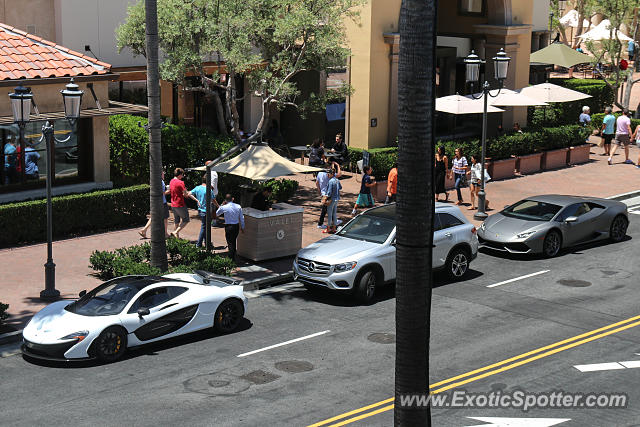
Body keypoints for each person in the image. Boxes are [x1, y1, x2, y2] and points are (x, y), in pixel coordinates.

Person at [139, 170, 171, 239]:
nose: (164, 175)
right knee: (165, 218)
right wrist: (168, 191)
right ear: (160, 174)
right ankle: (165, 233)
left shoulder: (154, 181)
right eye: (163, 174)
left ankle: (144, 230)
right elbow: (161, 193)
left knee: (153, 217)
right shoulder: (161, 182)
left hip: (156, 202)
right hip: (162, 202)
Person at [169, 168, 199, 239]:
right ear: (179, 175)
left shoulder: (171, 181)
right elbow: (185, 194)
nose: (183, 176)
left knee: (176, 220)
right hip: (180, 204)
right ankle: (175, 232)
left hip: (173, 204)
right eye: (182, 175)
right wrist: (191, 196)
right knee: (186, 220)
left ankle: (176, 238)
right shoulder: (180, 182)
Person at [216, 194, 245, 261]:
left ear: (225, 200)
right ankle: (232, 256)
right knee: (233, 241)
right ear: (233, 199)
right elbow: (241, 218)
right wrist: (242, 227)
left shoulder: (224, 207)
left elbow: (217, 213)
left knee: (230, 242)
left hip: (228, 226)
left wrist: (221, 205)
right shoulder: (238, 206)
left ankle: (231, 258)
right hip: (236, 226)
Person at [190, 175, 215, 248]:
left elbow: (189, 194)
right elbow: (213, 199)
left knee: (205, 226)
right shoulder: (208, 190)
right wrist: (218, 206)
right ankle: (199, 244)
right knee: (204, 227)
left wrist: (196, 200)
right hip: (206, 211)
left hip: (200, 210)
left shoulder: (197, 188)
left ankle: (207, 243)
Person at [325, 169, 342, 234]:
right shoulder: (337, 180)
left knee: (329, 214)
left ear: (331, 174)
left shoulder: (330, 181)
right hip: (337, 199)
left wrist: (325, 198)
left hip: (331, 199)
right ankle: (334, 228)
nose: (327, 175)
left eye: (328, 174)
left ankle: (328, 228)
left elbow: (329, 192)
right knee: (334, 214)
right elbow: (340, 187)